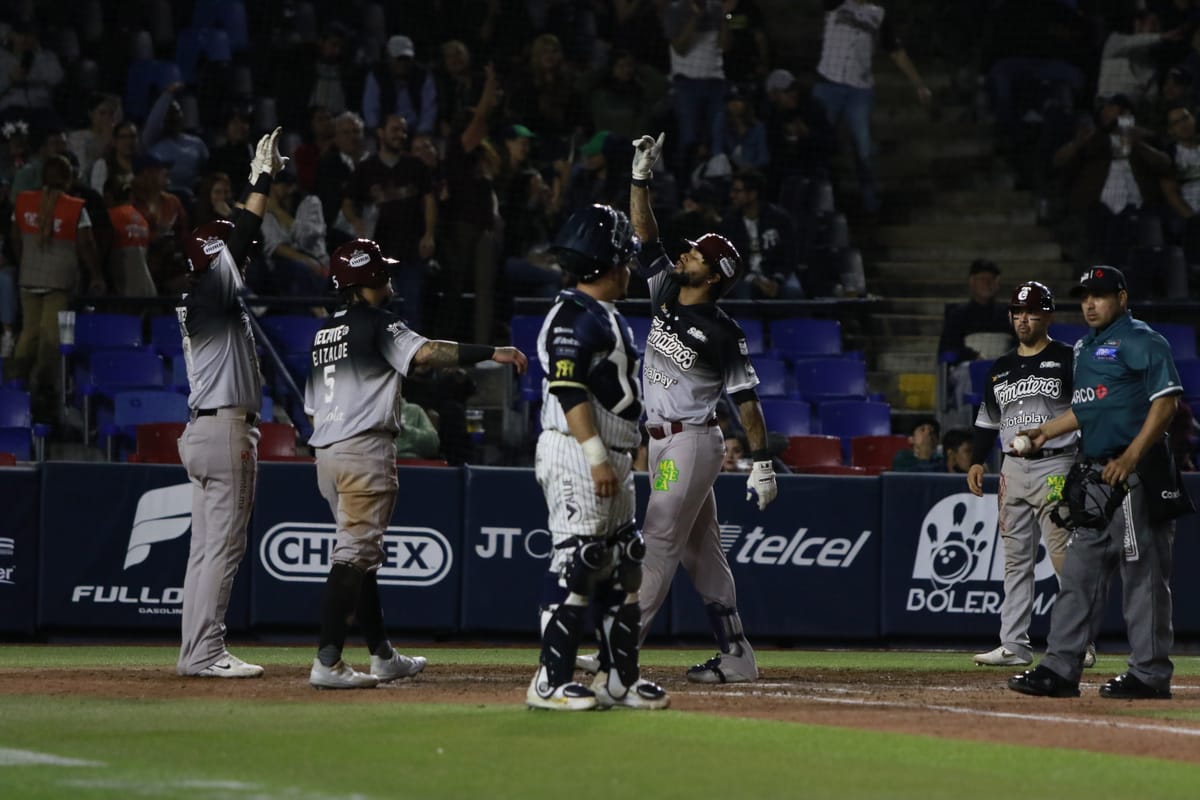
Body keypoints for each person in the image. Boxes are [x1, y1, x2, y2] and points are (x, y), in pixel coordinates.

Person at [304, 237, 527, 689]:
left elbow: (310, 405)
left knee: (360, 557)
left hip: (326, 451)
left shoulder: (324, 330)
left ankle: (382, 655)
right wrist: (492, 352)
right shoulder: (377, 321)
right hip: (362, 449)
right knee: (353, 555)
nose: (388, 278)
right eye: (381, 272)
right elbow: (425, 353)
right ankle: (327, 661)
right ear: (366, 280)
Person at [627, 132, 778, 684]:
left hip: (689, 439)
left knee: (660, 537)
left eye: (697, 255)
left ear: (713, 275)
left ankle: (621, 649)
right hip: (666, 438)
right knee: (701, 554)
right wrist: (640, 177)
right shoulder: (667, 291)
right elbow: (646, 234)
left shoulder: (722, 330)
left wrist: (762, 462)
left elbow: (748, 403)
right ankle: (737, 655)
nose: (684, 254)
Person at [1009, 266, 1190, 700]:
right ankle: (1059, 668)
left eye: (1101, 295)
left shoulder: (1141, 339)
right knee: (1078, 575)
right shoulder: (1088, 347)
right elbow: (1089, 408)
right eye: (1085, 296)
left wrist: (1130, 457)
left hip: (1136, 476)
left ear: (1122, 299)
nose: (1090, 303)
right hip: (1096, 477)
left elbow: (1166, 403)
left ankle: (1149, 673)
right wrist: (1045, 432)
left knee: (1142, 575)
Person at [525, 204, 669, 711]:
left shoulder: (602, 315)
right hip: (576, 450)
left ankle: (618, 679)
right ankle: (549, 682)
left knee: (622, 561)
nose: (628, 268)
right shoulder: (570, 315)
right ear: (608, 265)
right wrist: (595, 456)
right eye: (623, 260)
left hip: (614, 452)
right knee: (578, 562)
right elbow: (568, 389)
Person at [175, 128, 286, 678]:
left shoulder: (208, 297)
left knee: (205, 551)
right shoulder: (211, 291)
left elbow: (241, 243)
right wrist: (259, 179)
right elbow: (243, 234)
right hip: (222, 433)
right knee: (222, 549)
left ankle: (194, 650)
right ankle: (204, 652)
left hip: (206, 430)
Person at [966, 281, 1094, 670]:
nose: (1023, 319)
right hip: (1011, 468)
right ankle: (1013, 644)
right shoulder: (1000, 368)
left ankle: (1080, 642)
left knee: (1063, 556)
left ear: (1048, 316)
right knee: (1015, 559)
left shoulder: (1067, 358)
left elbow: (1087, 410)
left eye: (1032, 312)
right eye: (1018, 312)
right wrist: (975, 459)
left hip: (1057, 462)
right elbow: (988, 420)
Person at [812, 0, 932, 213]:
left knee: (864, 148)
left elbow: (895, 51)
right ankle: (818, 200)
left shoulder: (878, 14)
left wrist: (919, 83)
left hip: (859, 89)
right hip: (828, 83)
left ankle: (871, 202)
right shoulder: (836, 4)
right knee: (819, 143)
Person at [9, 154, 104, 419]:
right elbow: (86, 245)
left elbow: (16, 239)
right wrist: (96, 274)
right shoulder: (76, 208)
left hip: (28, 279)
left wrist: (26, 262)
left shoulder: (23, 201)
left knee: (29, 334)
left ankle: (15, 383)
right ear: (68, 178)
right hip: (59, 282)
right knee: (50, 337)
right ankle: (41, 389)